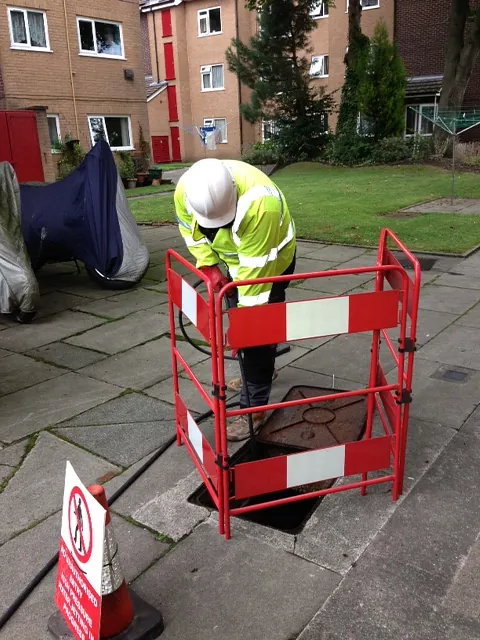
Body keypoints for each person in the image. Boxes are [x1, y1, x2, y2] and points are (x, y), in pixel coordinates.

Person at [174, 158, 296, 442]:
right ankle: (260, 371)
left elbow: (253, 298)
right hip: (232, 261)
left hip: (271, 261)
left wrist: (242, 332)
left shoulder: (261, 205)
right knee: (248, 333)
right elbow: (189, 232)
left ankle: (252, 412)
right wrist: (209, 266)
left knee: (259, 331)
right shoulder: (187, 190)